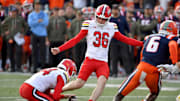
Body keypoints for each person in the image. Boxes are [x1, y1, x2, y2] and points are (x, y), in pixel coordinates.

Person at [51, 4, 143, 101]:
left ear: (108, 18)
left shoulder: (112, 27)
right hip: (89, 59)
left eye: (104, 19)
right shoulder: (89, 24)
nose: (100, 20)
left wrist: (142, 43)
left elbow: (125, 39)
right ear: (95, 15)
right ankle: (56, 91)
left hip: (102, 61)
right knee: (79, 83)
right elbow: (75, 40)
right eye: (99, 18)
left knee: (102, 82)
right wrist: (60, 49)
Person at [113, 20, 179, 101]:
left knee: (119, 94)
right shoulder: (172, 38)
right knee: (154, 93)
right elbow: (172, 45)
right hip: (154, 70)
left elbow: (143, 51)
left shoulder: (149, 37)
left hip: (142, 67)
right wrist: (174, 63)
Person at [2, 6, 28, 72]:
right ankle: (12, 67)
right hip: (10, 37)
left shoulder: (20, 19)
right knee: (10, 52)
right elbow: (2, 26)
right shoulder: (8, 19)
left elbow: (26, 26)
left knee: (19, 52)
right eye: (12, 12)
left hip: (18, 38)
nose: (14, 13)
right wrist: (5, 32)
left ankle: (18, 67)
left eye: (15, 12)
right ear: (10, 12)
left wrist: (23, 33)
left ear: (16, 12)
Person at [28, 1, 49, 73]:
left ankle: (43, 67)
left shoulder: (44, 14)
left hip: (42, 34)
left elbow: (46, 22)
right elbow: (30, 24)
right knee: (34, 51)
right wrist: (38, 21)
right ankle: (34, 67)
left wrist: (36, 22)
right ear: (34, 6)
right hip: (34, 34)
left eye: (38, 5)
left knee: (43, 51)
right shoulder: (31, 14)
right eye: (36, 5)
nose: (37, 6)